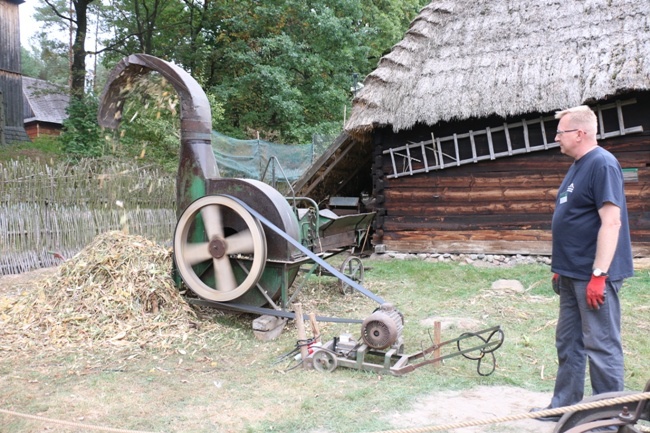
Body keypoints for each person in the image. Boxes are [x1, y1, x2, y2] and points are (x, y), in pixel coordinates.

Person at [532, 105, 634, 422]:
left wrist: (599, 275)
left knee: (601, 346)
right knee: (568, 342)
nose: (556, 138)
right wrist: (560, 266)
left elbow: (611, 222)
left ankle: (607, 419)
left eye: (561, 132)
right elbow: (574, 218)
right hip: (571, 274)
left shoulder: (602, 164)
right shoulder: (579, 165)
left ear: (579, 133)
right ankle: (562, 408)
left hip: (593, 277)